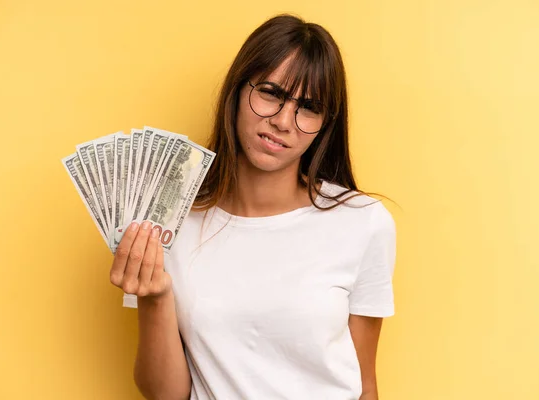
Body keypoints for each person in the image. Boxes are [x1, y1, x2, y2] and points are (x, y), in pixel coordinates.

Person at [109, 13, 397, 400]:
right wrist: (155, 296)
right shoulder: (169, 221)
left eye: (309, 107)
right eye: (271, 92)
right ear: (237, 91)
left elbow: (366, 386)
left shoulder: (363, 223)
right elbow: (166, 395)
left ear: (326, 123)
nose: (283, 121)